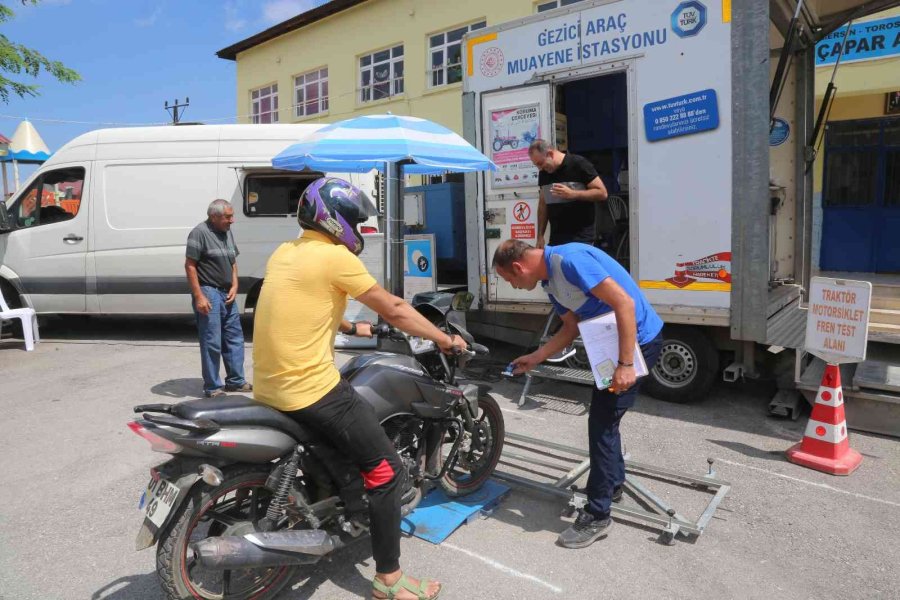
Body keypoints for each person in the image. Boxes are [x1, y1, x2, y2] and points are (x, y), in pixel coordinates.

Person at [253, 177, 464, 600]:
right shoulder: (335, 258)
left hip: (269, 385)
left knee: (347, 450)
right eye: (354, 220)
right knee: (386, 472)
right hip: (309, 389)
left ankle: (346, 503)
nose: (359, 228)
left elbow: (300, 302)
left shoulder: (285, 251)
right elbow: (398, 309)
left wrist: (349, 325)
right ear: (335, 221)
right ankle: (390, 581)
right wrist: (444, 339)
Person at [492, 239, 664, 549]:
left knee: (602, 425)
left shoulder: (569, 261)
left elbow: (624, 303)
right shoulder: (549, 282)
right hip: (613, 344)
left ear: (518, 267)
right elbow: (569, 328)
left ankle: (598, 515)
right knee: (605, 423)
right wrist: (536, 357)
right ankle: (611, 485)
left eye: (509, 280)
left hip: (637, 343)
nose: (513, 286)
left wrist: (626, 364)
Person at [184, 199, 252, 398]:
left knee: (234, 338)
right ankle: (213, 387)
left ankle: (235, 381)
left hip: (227, 292)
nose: (232, 220)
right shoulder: (199, 233)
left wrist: (235, 284)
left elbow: (233, 261)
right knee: (212, 341)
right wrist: (199, 296)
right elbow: (190, 266)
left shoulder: (226, 232)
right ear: (214, 217)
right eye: (228, 217)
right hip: (209, 292)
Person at [528, 139, 608, 248]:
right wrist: (540, 236)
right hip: (556, 240)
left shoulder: (579, 164)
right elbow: (543, 204)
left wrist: (573, 194)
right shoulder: (544, 173)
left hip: (581, 239)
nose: (540, 168)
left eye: (540, 163)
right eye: (536, 165)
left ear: (550, 154)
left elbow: (602, 193)